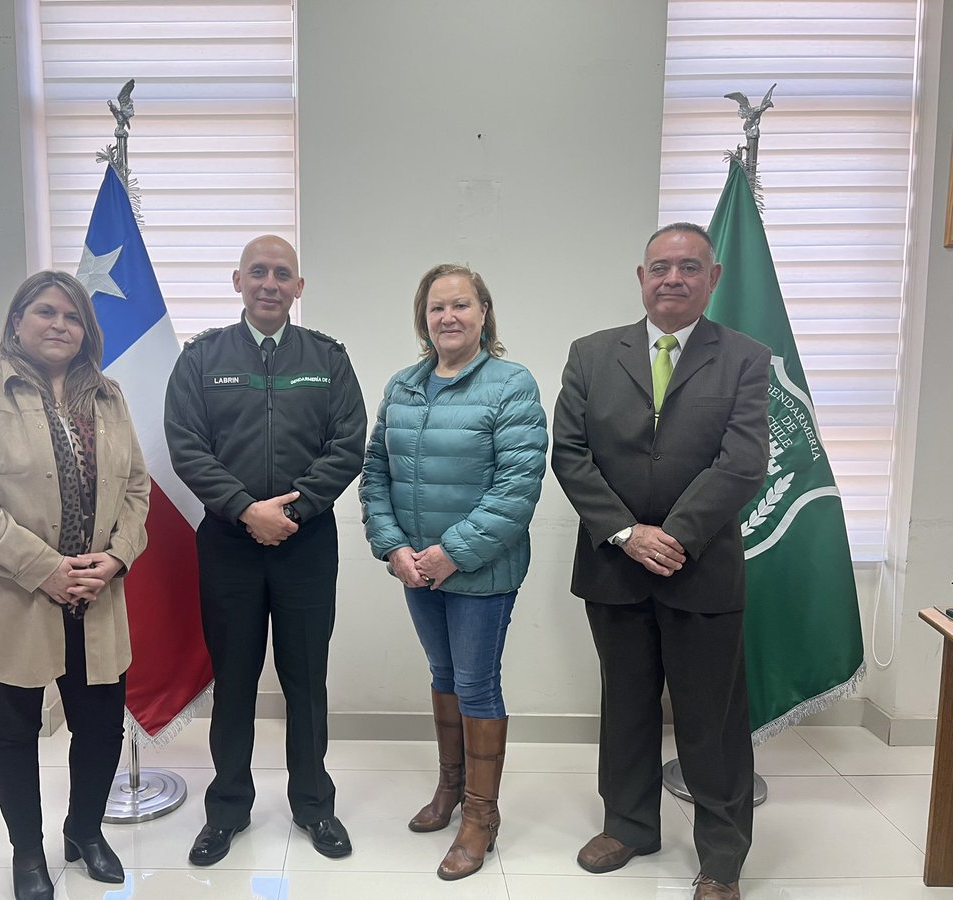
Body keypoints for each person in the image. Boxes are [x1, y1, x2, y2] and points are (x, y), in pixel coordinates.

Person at [550, 223, 771, 900]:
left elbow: (743, 462)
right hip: (614, 568)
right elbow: (570, 453)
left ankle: (722, 858)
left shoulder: (745, 357)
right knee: (626, 704)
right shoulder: (591, 354)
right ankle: (629, 825)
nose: (672, 278)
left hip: (700, 567)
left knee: (712, 717)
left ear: (714, 277)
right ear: (640, 277)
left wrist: (671, 535)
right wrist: (626, 533)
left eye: (688, 267)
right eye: (660, 267)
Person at [0, 271, 150, 900]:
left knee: (103, 727)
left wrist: (114, 559)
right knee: (12, 731)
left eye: (73, 316)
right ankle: (27, 853)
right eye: (45, 312)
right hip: (11, 597)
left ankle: (85, 832)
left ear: (87, 331)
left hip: (95, 594)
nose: (60, 325)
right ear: (16, 322)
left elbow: (136, 490)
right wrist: (45, 569)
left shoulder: (107, 398)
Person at [164, 235, 368, 865]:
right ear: (238, 281)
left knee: (306, 679)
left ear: (299, 287)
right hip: (228, 542)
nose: (271, 283)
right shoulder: (201, 359)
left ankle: (313, 804)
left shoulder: (327, 359)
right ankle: (227, 807)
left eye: (283, 274)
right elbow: (186, 444)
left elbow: (349, 443)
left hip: (306, 545)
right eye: (259, 272)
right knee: (235, 680)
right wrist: (246, 509)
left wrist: (295, 508)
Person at [360, 263, 548, 881]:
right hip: (417, 571)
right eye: (437, 307)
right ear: (424, 318)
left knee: (476, 686)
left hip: (481, 573)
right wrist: (393, 548)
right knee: (442, 675)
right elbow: (376, 474)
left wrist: (450, 553)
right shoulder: (403, 386)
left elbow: (518, 488)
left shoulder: (510, 384)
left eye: (461, 305)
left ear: (483, 313)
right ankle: (449, 789)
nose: (448, 317)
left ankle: (480, 816)